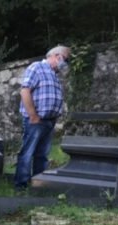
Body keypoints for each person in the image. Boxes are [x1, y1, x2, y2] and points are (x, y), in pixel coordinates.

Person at [14, 46, 71, 191]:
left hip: (48, 121)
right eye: (67, 58)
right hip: (36, 120)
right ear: (57, 56)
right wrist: (33, 115)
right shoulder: (37, 67)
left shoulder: (53, 74)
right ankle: (21, 185)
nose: (67, 62)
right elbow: (25, 90)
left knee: (42, 155)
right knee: (28, 152)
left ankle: (38, 184)